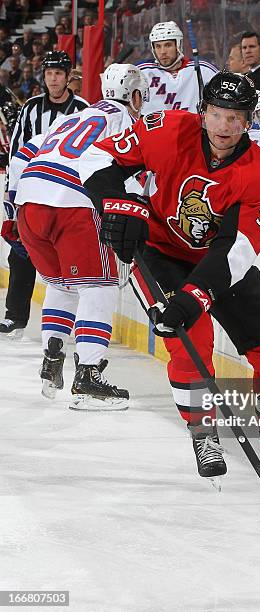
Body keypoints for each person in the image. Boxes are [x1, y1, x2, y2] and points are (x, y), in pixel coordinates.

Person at [79, 71, 260, 480]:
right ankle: (203, 431)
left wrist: (195, 296)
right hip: (161, 253)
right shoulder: (167, 129)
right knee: (193, 339)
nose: (224, 126)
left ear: (248, 121)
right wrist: (115, 203)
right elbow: (97, 158)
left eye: (234, 117)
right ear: (203, 112)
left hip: (220, 262)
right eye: (216, 114)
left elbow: (235, 249)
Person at [9, 64, 148, 409]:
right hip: (72, 204)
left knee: (60, 285)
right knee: (98, 285)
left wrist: (14, 198)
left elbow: (26, 151)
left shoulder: (73, 117)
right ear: (133, 95)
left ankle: (51, 360)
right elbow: (133, 178)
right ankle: (88, 377)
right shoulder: (128, 122)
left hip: (30, 201)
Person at [0, 50, 88, 338]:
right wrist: (11, 191)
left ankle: (73, 323)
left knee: (70, 258)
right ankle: (15, 318)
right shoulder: (31, 108)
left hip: (68, 194)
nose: (53, 79)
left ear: (68, 77)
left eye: (59, 74)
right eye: (49, 73)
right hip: (34, 191)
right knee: (21, 253)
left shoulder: (83, 109)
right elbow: (16, 149)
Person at [136, 21, 218, 114]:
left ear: (178, 45)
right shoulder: (141, 72)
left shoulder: (203, 69)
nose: (163, 51)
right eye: (158, 46)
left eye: (168, 45)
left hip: (192, 127)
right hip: (154, 127)